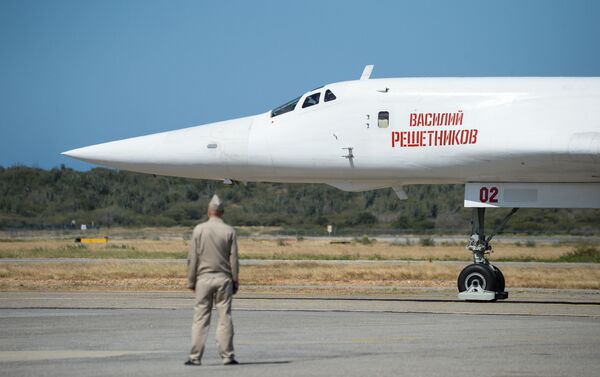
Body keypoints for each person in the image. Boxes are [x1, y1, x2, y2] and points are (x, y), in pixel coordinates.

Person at [185, 194, 239, 366]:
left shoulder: (199, 230)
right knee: (225, 317)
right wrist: (235, 281)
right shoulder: (229, 231)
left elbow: (192, 258)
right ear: (221, 212)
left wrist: (191, 281)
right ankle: (227, 356)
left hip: (203, 278)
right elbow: (234, 259)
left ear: (209, 212)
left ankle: (195, 357)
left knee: (200, 318)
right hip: (224, 279)